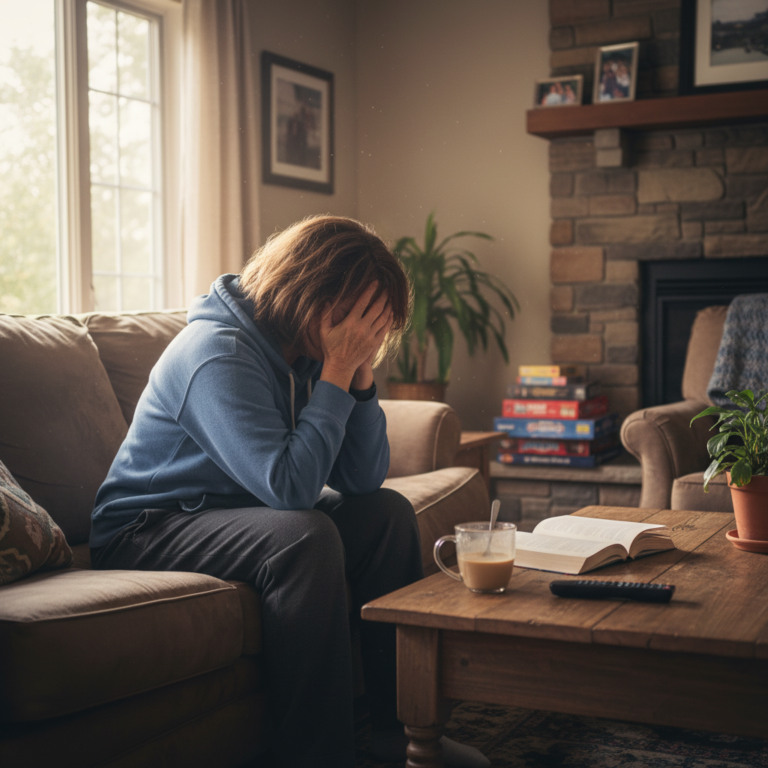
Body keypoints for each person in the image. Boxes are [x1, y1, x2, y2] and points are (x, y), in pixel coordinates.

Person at [89, 216, 489, 768]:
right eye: (362, 319)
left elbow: (363, 481)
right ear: (312, 293)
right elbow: (291, 489)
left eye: (378, 326)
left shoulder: (301, 350)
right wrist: (338, 369)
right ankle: (318, 756)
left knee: (387, 513)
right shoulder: (217, 352)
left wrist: (360, 376)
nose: (368, 334)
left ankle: (400, 735)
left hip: (235, 511)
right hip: (147, 527)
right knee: (305, 535)